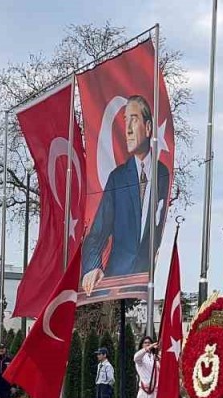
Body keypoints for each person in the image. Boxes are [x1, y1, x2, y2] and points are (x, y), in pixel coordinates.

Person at [80, 95, 171, 295]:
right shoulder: (118, 178)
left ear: (148, 128)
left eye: (134, 119)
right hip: (117, 282)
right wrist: (93, 267)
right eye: (125, 120)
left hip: (149, 282)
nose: (128, 129)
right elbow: (96, 235)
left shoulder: (163, 174)